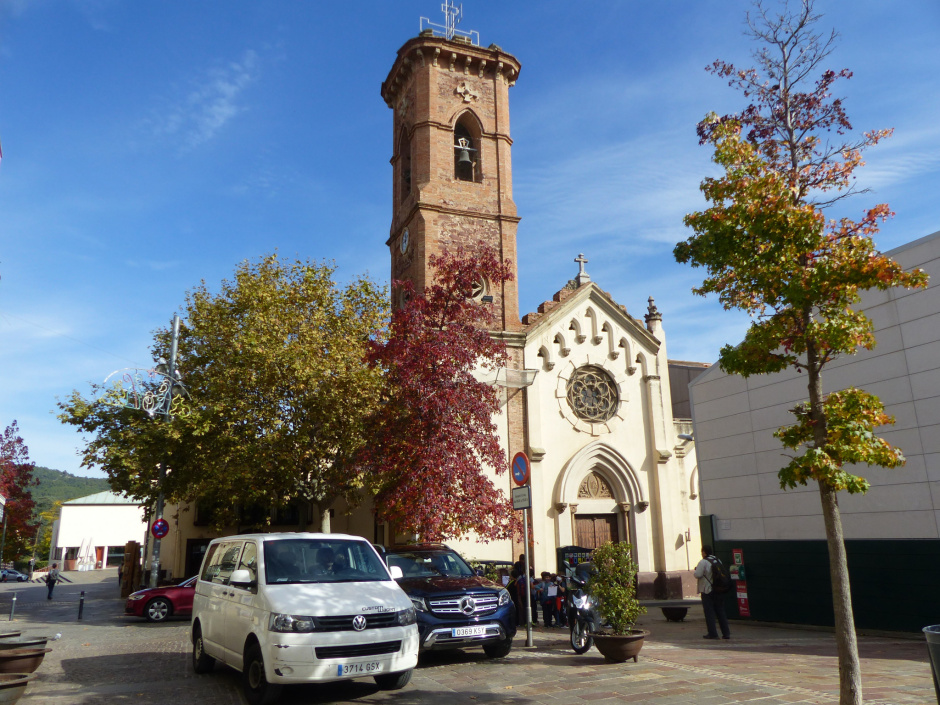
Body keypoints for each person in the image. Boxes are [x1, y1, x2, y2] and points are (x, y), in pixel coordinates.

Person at [694, 545, 730, 640]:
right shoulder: (718, 560)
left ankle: (713, 633)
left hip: (707, 590)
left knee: (709, 612)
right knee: (721, 611)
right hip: (718, 589)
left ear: (704, 552)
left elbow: (697, 574)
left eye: (702, 552)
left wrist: (696, 570)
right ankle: (726, 633)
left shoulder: (703, 562)